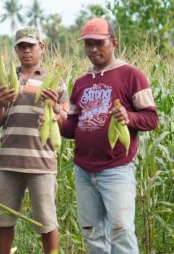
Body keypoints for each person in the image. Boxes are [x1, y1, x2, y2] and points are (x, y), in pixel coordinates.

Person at [57, 18, 159, 253]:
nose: (92, 49)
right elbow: (72, 129)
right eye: (87, 44)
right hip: (83, 170)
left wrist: (128, 117)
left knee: (121, 232)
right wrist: (58, 120)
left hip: (116, 169)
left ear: (113, 42)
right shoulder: (81, 82)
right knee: (92, 234)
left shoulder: (132, 75)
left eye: (98, 43)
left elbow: (152, 119)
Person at [0, 26, 67, 254]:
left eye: (31, 46)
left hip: (41, 162)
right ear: (16, 50)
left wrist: (54, 108)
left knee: (47, 222)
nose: (26, 51)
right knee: (4, 221)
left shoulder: (55, 81)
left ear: (41, 48)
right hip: (8, 162)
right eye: (21, 46)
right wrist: (1, 102)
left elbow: (66, 122)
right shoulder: (6, 80)